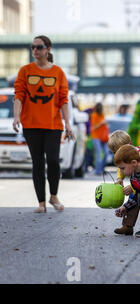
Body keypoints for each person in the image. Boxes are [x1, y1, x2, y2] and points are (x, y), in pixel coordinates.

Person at [13, 35, 72, 213]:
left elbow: (63, 99)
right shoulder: (25, 71)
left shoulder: (58, 73)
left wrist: (68, 123)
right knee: (37, 162)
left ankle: (53, 196)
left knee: (53, 161)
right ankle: (41, 203)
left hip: (53, 125)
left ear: (48, 49)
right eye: (33, 47)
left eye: (39, 47)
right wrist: (16, 116)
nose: (35, 51)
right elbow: (19, 95)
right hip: (31, 124)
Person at [107, 130, 140, 236]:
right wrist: (120, 178)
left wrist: (133, 187)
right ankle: (127, 226)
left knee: (136, 196)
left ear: (129, 145)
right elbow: (120, 166)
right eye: (115, 153)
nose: (118, 155)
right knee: (132, 198)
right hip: (138, 184)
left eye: (119, 150)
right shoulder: (124, 157)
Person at [113, 144, 140, 238]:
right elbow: (136, 196)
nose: (121, 172)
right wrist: (125, 207)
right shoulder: (134, 175)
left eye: (122, 168)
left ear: (134, 163)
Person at [90, 103, 110, 175]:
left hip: (103, 138)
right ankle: (98, 171)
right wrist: (101, 123)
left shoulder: (102, 115)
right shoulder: (94, 115)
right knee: (99, 154)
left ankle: (102, 168)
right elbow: (94, 127)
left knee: (106, 153)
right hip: (96, 137)